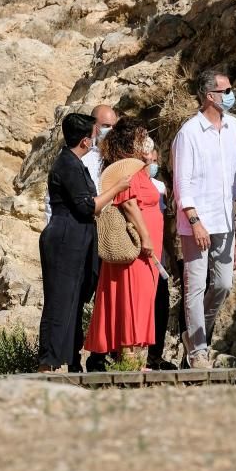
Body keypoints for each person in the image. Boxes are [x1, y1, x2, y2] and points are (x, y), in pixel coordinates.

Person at [38, 113, 131, 372]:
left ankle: (67, 359)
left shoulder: (74, 163)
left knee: (74, 301)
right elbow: (88, 206)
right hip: (65, 239)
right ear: (84, 141)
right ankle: (48, 362)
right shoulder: (67, 165)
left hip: (78, 239)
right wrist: (116, 188)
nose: (95, 139)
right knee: (60, 300)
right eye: (92, 135)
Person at [172, 68, 236, 369]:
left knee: (224, 284)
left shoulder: (235, 127)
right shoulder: (188, 132)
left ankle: (194, 333)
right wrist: (194, 220)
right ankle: (198, 349)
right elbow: (182, 183)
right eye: (225, 91)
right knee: (195, 285)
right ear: (209, 96)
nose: (231, 96)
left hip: (226, 218)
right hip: (197, 222)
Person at [84, 118, 160, 368]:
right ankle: (128, 354)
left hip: (148, 238)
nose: (146, 140)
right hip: (137, 240)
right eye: (142, 135)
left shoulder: (138, 167)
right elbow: (128, 203)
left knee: (144, 294)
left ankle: (135, 355)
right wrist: (146, 236)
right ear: (132, 140)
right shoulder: (127, 169)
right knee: (133, 294)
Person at [44, 105, 118, 224]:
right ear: (94, 125)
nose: (111, 130)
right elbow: (54, 198)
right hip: (78, 225)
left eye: (114, 126)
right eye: (106, 126)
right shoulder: (77, 155)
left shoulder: (118, 154)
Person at [142, 141, 177, 370]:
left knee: (161, 304)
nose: (151, 165)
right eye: (147, 161)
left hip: (159, 256)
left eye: (154, 161)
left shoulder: (161, 188)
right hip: (139, 252)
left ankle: (155, 355)